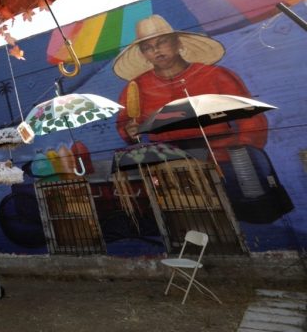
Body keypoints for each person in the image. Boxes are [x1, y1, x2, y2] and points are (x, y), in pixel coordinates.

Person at [114, 14, 292, 223]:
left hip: (222, 154)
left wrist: (233, 150)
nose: (156, 50)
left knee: (251, 175)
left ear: (178, 43)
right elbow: (125, 124)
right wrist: (130, 130)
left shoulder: (215, 75)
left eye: (162, 42)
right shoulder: (136, 87)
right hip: (168, 159)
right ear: (144, 54)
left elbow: (251, 120)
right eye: (148, 47)